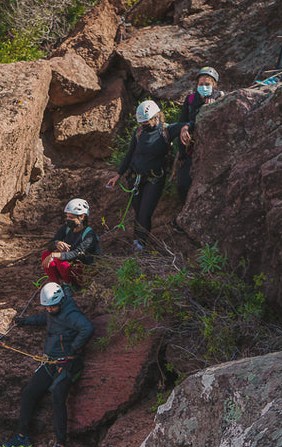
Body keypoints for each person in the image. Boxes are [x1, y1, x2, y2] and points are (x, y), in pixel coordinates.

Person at [2, 282, 94, 447]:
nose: (50, 310)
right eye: (47, 307)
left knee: (58, 397)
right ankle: (22, 437)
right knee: (30, 392)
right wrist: (25, 321)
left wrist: (73, 349)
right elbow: (45, 318)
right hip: (51, 361)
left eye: (52, 306)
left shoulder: (70, 313)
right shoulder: (53, 311)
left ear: (60, 300)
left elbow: (88, 328)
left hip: (68, 363)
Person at [106, 101, 192, 250]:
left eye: (146, 121)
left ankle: (140, 244)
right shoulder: (138, 132)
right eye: (141, 122)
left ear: (155, 117)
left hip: (154, 179)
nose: (144, 125)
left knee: (145, 213)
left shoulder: (166, 130)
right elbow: (129, 154)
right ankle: (136, 241)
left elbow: (187, 123)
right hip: (134, 178)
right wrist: (118, 175)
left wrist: (185, 128)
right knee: (138, 212)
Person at [172, 67, 225, 231]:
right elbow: (182, 122)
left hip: (208, 150)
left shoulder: (219, 97)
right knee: (182, 185)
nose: (203, 86)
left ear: (214, 84)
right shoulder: (190, 100)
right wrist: (180, 152)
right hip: (188, 149)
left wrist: (216, 99)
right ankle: (186, 216)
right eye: (201, 83)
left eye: (207, 83)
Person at [42, 198, 99, 288]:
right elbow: (50, 244)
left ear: (82, 217)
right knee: (46, 254)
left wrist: (55, 255)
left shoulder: (89, 235)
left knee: (60, 261)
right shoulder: (67, 228)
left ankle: (68, 285)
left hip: (82, 268)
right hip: (68, 264)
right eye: (67, 217)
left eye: (71, 217)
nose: (68, 220)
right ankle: (56, 284)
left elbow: (77, 253)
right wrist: (57, 243)